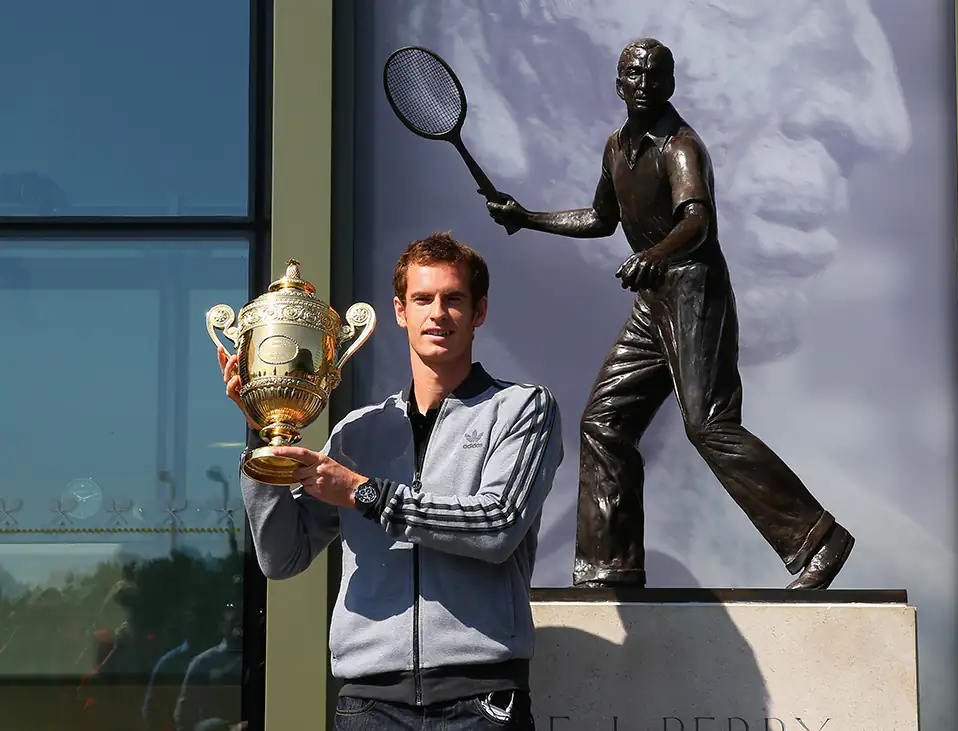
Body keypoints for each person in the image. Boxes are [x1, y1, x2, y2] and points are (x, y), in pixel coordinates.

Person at [486, 38, 852, 590]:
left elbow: (697, 219)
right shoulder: (616, 146)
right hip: (654, 300)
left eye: (655, 77)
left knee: (708, 425)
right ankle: (608, 568)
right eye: (633, 76)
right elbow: (600, 217)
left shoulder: (681, 147)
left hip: (693, 292)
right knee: (604, 423)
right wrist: (527, 216)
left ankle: (816, 539)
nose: (643, 85)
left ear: (670, 84)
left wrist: (656, 254)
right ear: (618, 84)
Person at [217, 232, 563, 730]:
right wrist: (261, 438)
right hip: (367, 704)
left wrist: (364, 494)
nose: (437, 314)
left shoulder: (523, 408)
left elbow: (496, 527)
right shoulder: (357, 431)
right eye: (422, 300)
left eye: (453, 299)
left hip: (481, 701)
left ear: (479, 311)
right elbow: (282, 557)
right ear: (401, 312)